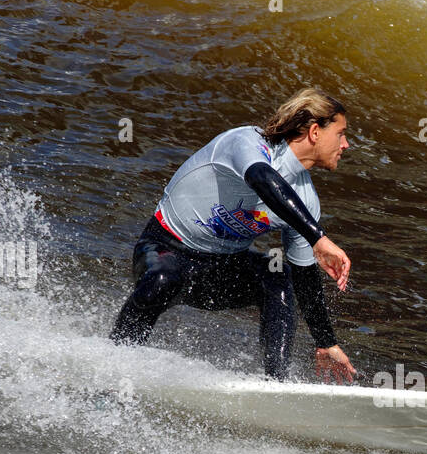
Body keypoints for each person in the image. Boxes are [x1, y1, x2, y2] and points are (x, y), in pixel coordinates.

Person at [110, 88, 358, 383]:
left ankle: (275, 384)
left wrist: (325, 341)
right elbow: (262, 179)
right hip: (164, 249)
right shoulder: (247, 142)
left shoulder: (305, 200)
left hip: (217, 272)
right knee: (163, 279)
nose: (346, 144)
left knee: (276, 276)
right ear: (315, 132)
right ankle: (113, 363)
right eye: (340, 133)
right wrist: (318, 237)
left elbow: (305, 277)